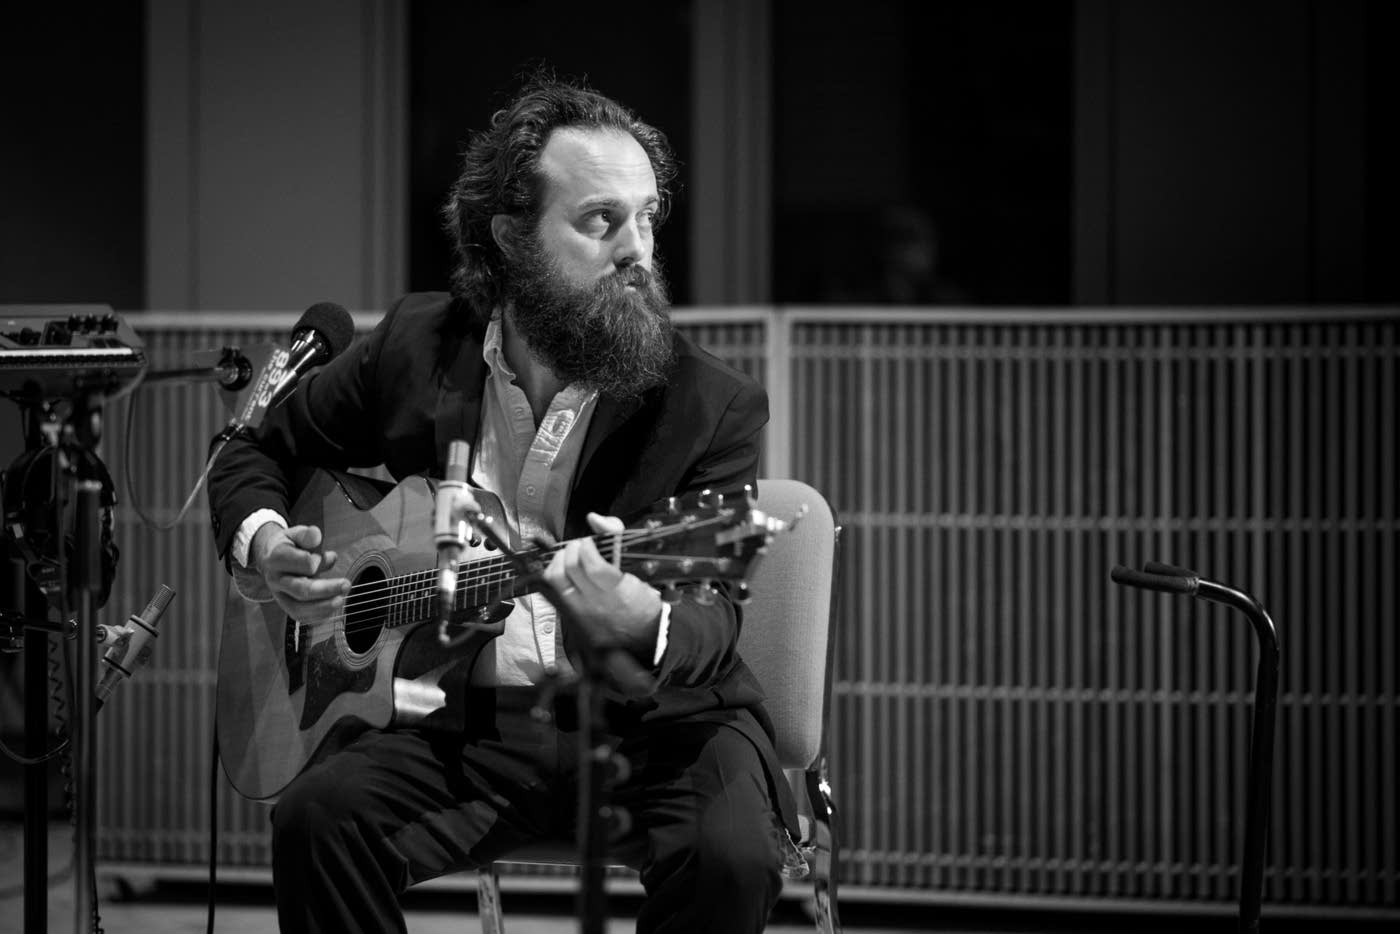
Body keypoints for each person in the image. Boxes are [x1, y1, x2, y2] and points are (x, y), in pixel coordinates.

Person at [206, 76, 797, 934]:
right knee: (318, 822)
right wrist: (267, 548)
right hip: (473, 727)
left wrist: (646, 621)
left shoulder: (709, 402)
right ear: (512, 238)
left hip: (658, 735)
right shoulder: (415, 346)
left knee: (731, 857)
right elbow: (256, 447)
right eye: (601, 220)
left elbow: (712, 617)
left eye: (649, 216)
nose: (638, 248)